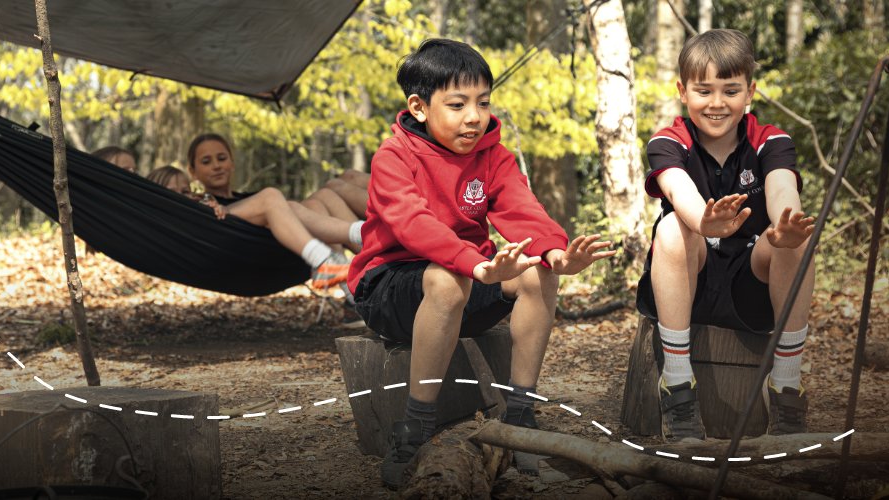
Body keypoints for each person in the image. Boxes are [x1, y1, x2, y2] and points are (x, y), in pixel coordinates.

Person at [348, 39, 614, 488]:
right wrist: (473, 264)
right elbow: (413, 225)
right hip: (390, 285)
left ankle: (520, 418)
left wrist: (556, 253)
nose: (474, 116)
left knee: (537, 272)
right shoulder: (394, 156)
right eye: (457, 104)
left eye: (483, 102)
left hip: (468, 275)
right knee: (447, 278)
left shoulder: (493, 156)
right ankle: (414, 428)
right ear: (418, 107)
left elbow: (522, 210)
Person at [635, 29, 817, 442]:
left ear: (749, 92)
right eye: (704, 91)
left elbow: (782, 188)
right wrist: (703, 221)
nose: (717, 103)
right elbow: (677, 189)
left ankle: (786, 385)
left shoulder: (771, 140)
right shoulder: (668, 141)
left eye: (730, 91)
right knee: (672, 227)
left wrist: (786, 222)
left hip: (750, 287)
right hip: (688, 284)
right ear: (683, 91)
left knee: (796, 239)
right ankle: (677, 385)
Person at [186, 133, 365, 289]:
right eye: (206, 162)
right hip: (240, 255)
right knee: (271, 196)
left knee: (318, 200)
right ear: (192, 172)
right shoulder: (203, 204)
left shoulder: (250, 199)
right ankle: (353, 242)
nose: (216, 166)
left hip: (281, 248)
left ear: (232, 162)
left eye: (222, 158)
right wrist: (204, 203)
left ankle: (354, 285)